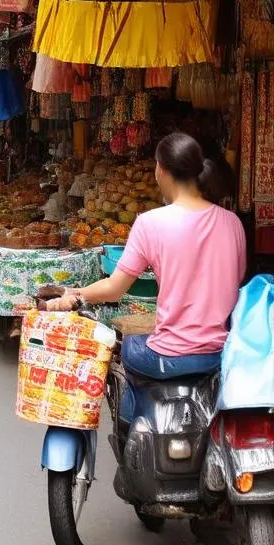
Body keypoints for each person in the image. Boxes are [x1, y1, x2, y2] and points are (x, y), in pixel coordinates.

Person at [44, 133, 246, 376]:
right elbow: (235, 279)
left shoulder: (150, 222)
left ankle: (128, 415)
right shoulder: (232, 223)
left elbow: (114, 289)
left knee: (128, 346)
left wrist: (75, 294)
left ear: (161, 170)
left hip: (169, 354)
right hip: (219, 353)